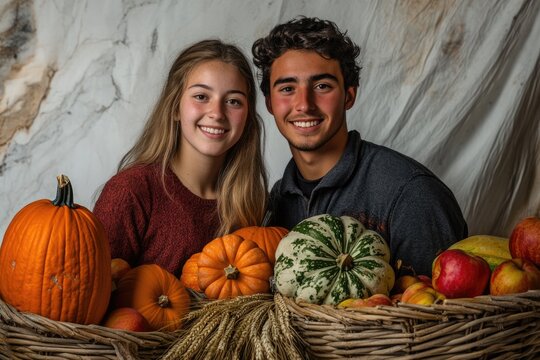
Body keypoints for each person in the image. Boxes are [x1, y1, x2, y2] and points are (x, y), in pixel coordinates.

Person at [252, 17, 467, 276]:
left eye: (322, 86)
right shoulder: (277, 202)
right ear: (269, 104)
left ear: (349, 96)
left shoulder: (412, 195)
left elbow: (440, 309)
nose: (304, 104)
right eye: (287, 88)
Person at [93, 39, 268, 277]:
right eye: (201, 96)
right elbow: (88, 295)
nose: (217, 113)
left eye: (233, 101)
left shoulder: (251, 203)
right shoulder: (131, 192)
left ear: (247, 117)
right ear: (175, 107)